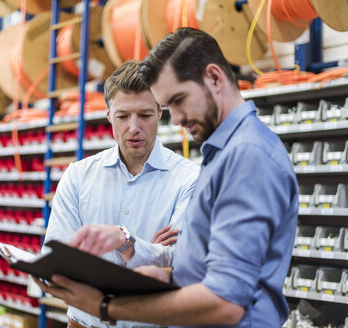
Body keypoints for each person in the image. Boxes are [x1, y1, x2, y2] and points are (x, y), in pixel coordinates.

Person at [35, 28, 299, 328]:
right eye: (169, 106)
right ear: (109, 116)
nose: (175, 119)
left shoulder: (247, 156)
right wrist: (167, 272)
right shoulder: (221, 154)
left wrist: (106, 305)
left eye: (177, 100)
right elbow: (213, 269)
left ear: (214, 78)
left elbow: (227, 302)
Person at [42, 59, 199, 328]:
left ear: (160, 113)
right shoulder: (78, 176)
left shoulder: (190, 179)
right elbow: (56, 267)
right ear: (109, 117)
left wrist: (125, 243)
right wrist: (151, 251)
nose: (134, 127)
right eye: (123, 116)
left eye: (145, 115)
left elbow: (187, 272)